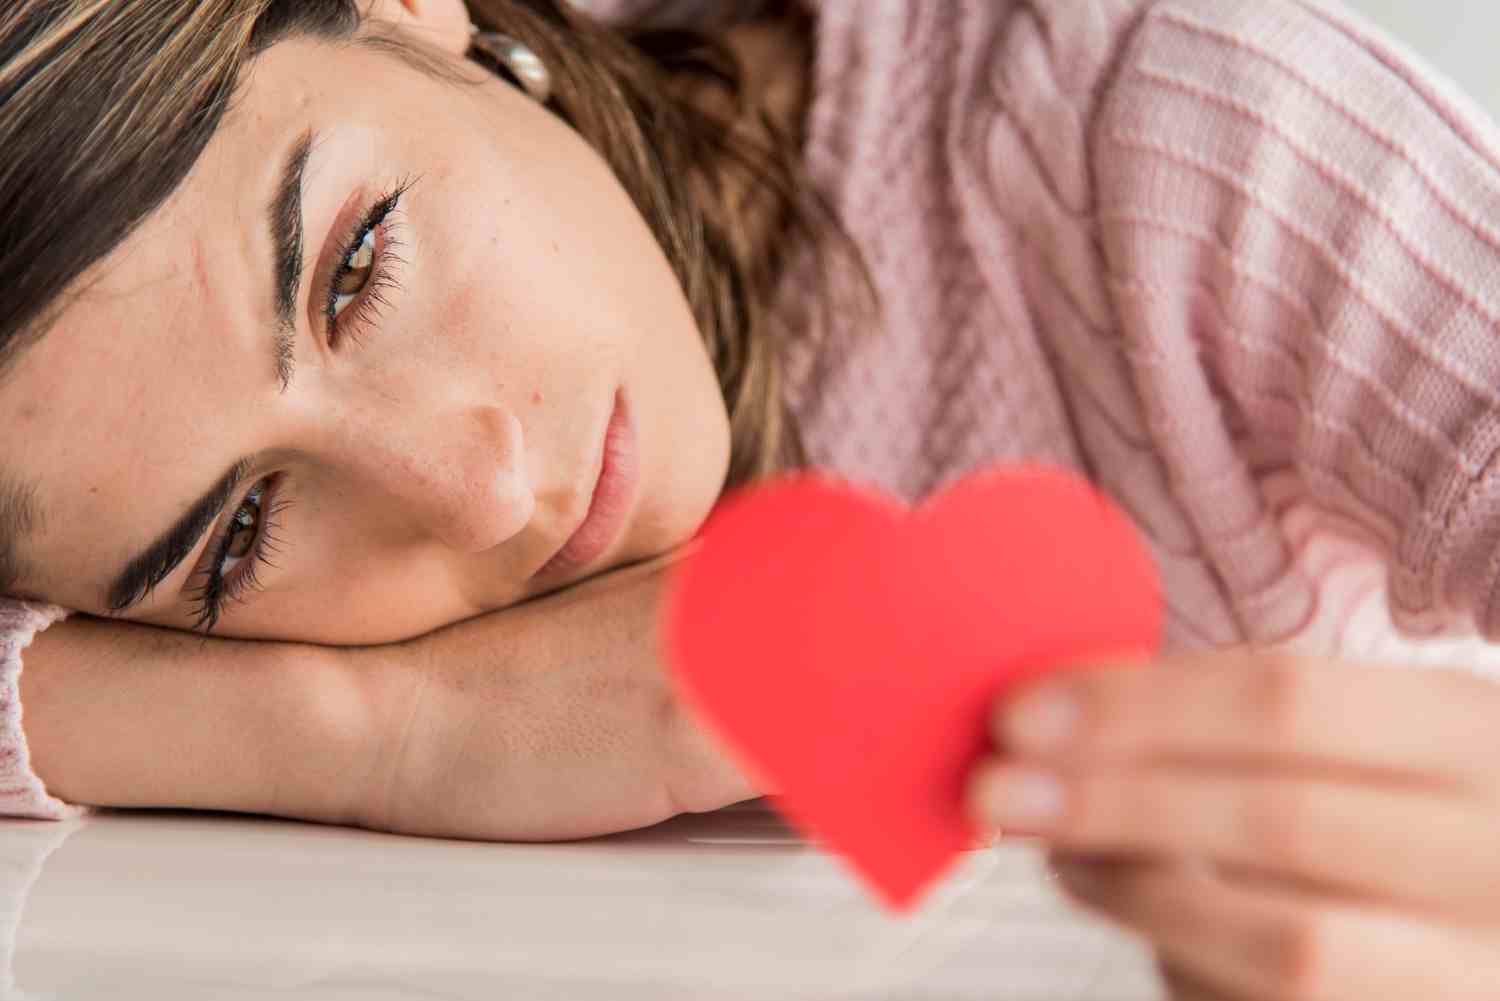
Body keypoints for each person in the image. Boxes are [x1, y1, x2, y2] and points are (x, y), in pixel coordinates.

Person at [4, 0, 1500, 995]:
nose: (478, 487)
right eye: (246, 529)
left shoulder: (1166, 133)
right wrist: (391, 736)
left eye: (358, 265)